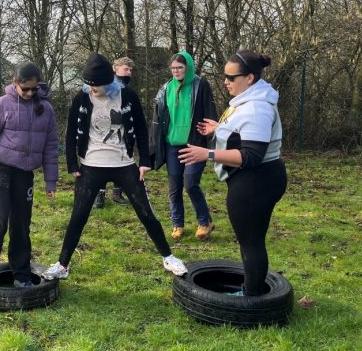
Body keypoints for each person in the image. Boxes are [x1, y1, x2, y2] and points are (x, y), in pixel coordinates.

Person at [42, 53, 188, 281]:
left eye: (96, 86)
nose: (92, 89)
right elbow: (70, 132)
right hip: (90, 165)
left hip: (124, 163)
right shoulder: (81, 98)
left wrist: (145, 162)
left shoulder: (127, 95)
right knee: (78, 216)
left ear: (108, 82)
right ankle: (62, 264)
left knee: (146, 212)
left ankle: (168, 257)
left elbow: (141, 127)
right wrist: (72, 164)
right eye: (88, 85)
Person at [178, 50, 287, 296]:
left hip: (256, 182)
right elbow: (243, 133)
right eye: (224, 75)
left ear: (249, 78)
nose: (225, 81)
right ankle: (252, 289)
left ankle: (251, 299)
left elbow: (250, 156)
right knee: (250, 241)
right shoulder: (249, 101)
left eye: (230, 77)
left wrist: (207, 154)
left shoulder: (257, 108)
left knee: (251, 243)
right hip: (256, 180)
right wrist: (220, 128)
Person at [0, 63, 59, 288]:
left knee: (21, 224)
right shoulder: (0, 106)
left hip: (25, 174)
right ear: (15, 83)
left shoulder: (46, 109)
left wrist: (51, 181)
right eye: (25, 89)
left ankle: (21, 273)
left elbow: (51, 146)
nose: (29, 93)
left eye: (34, 89)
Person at [149, 51, 218, 241]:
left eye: (180, 67)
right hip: (172, 145)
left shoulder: (200, 85)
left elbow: (210, 113)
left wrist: (211, 135)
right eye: (173, 68)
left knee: (190, 184)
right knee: (174, 187)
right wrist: (154, 146)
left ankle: (205, 222)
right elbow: (157, 118)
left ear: (187, 67)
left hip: (194, 144)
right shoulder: (166, 88)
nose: (176, 71)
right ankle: (177, 224)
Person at [93, 57, 134, 208]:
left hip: (123, 130)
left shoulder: (128, 88)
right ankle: (100, 195)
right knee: (104, 162)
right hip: (108, 125)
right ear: (115, 69)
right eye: (126, 69)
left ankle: (117, 193)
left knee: (120, 159)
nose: (129, 72)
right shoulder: (108, 85)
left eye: (130, 70)